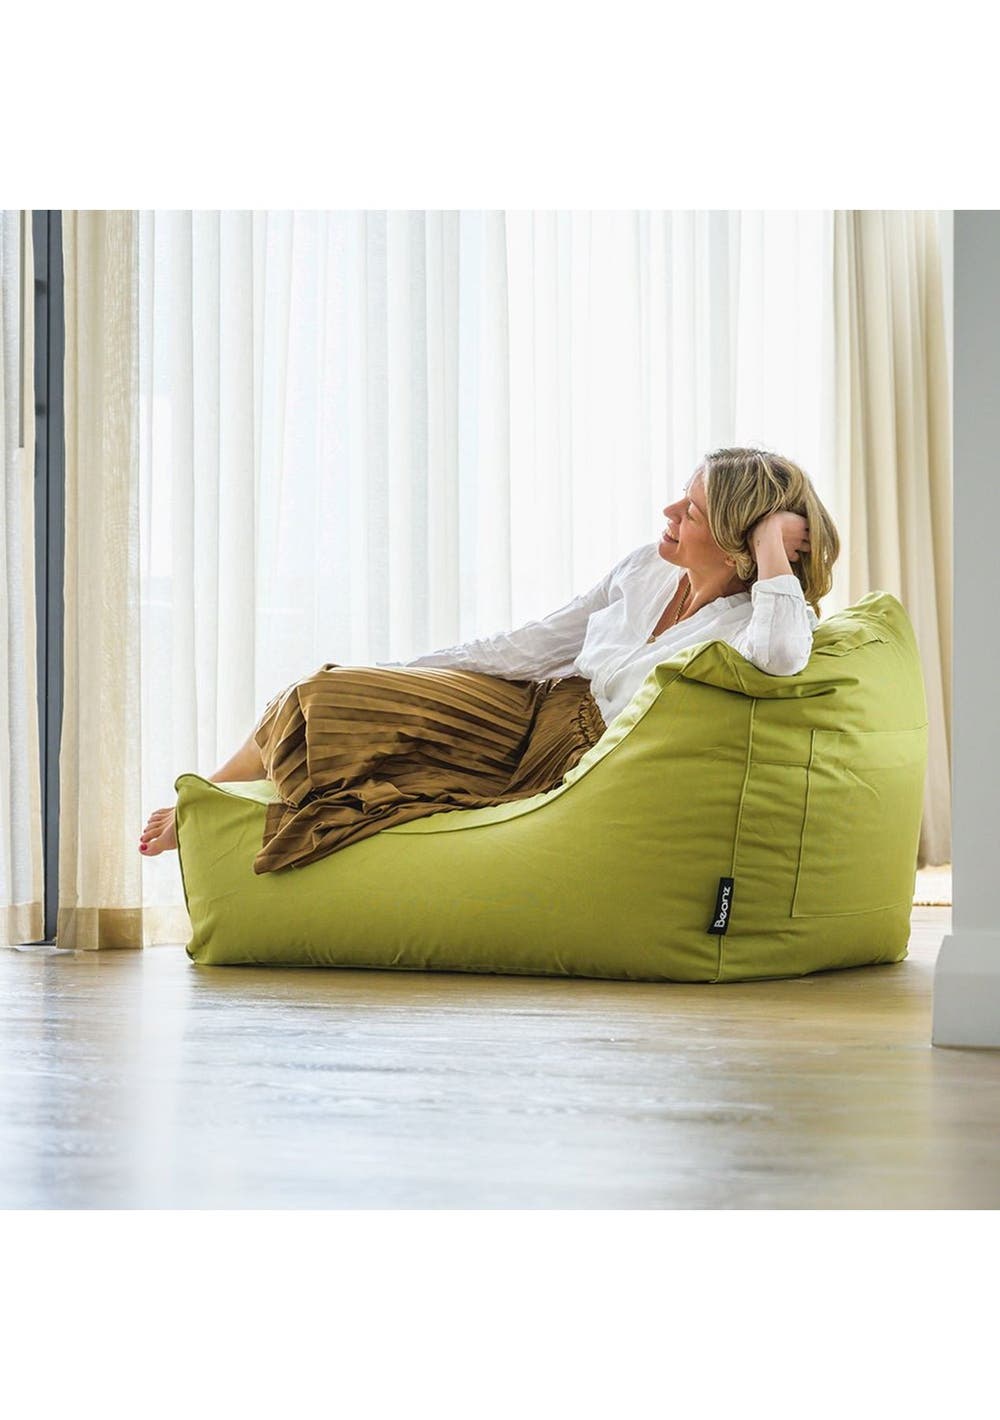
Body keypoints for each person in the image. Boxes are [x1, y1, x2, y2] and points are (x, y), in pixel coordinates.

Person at [139, 446, 839, 872]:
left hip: (567, 757)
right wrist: (407, 672)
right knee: (328, 689)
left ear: (736, 543)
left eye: (692, 510)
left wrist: (771, 546)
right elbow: (537, 643)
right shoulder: (647, 569)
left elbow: (783, 656)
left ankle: (204, 810)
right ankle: (207, 794)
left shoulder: (758, 622)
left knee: (354, 742)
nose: (669, 512)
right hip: (532, 704)